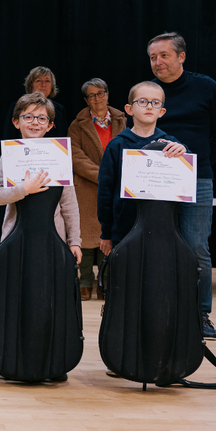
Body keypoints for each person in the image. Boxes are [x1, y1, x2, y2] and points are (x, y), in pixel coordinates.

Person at [147, 32, 216, 340]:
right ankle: (162, 312)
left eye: (164, 55)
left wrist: (197, 164)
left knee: (196, 246)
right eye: (153, 57)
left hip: (197, 178)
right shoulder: (149, 91)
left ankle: (201, 314)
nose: (158, 62)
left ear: (181, 56)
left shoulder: (206, 87)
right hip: (154, 179)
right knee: (158, 246)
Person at [0, 92, 82, 263]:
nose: (35, 122)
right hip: (16, 239)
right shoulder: (9, 156)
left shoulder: (59, 156)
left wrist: (74, 241)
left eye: (41, 118)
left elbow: (69, 204)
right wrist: (23, 189)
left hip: (53, 240)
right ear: (16, 122)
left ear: (50, 125)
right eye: (29, 116)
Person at [97, 82, 187, 257]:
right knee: (127, 277)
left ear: (162, 112)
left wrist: (184, 151)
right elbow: (105, 192)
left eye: (155, 103)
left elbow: (186, 178)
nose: (149, 107)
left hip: (163, 228)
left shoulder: (171, 145)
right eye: (143, 101)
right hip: (124, 229)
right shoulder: (116, 145)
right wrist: (106, 233)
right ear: (129, 109)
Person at [69, 78, 126, 300]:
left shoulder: (123, 120)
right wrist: (102, 175)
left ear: (107, 94)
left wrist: (113, 176)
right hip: (85, 186)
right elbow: (75, 156)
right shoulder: (77, 125)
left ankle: (104, 282)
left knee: (108, 233)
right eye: (92, 95)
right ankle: (84, 283)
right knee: (85, 235)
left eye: (100, 93)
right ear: (86, 100)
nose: (97, 98)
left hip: (115, 186)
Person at [2, 67, 68, 140]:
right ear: (31, 85)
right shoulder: (17, 105)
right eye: (38, 80)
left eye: (47, 81)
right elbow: (9, 135)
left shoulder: (59, 109)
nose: (43, 84)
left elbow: (63, 136)